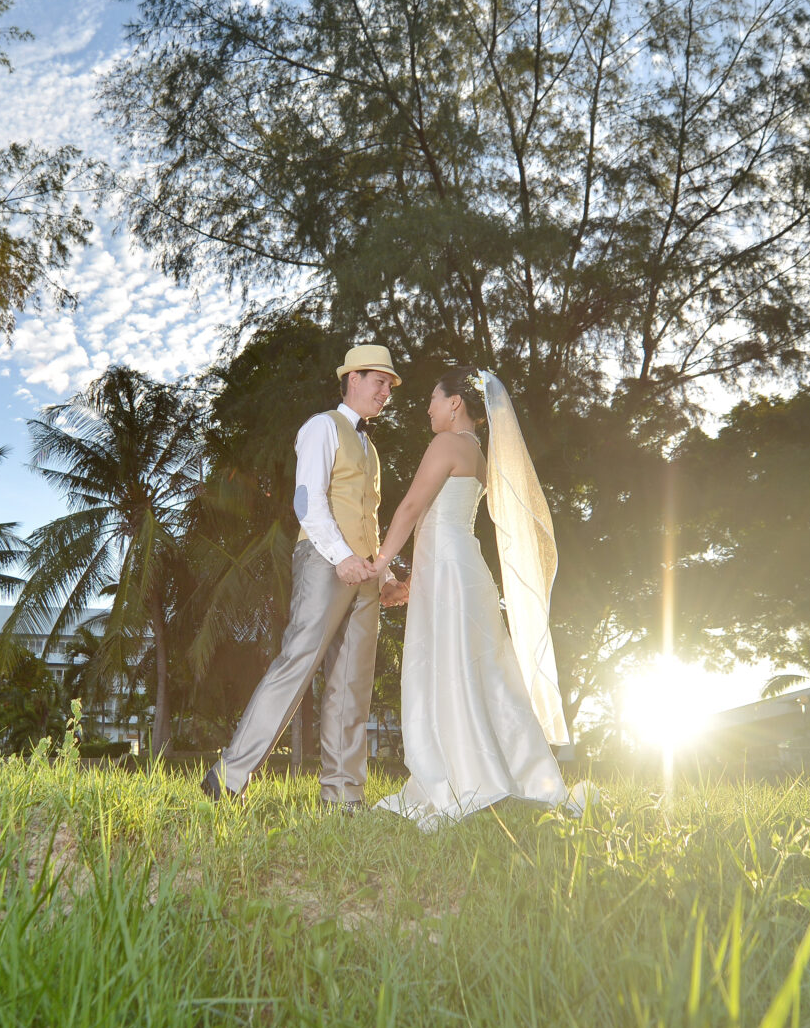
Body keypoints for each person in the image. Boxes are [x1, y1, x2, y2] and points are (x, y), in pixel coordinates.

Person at [202, 345, 409, 809]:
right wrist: (340, 557)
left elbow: (367, 519)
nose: (386, 393)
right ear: (353, 378)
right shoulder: (322, 427)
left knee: (352, 685)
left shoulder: (370, 448)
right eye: (380, 382)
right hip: (324, 560)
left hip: (365, 573)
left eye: (390, 387)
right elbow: (306, 502)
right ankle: (228, 776)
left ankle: (343, 797)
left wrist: (387, 575)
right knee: (298, 662)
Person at [373, 370, 576, 830]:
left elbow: (410, 508)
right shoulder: (480, 455)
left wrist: (381, 561)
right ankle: (509, 771)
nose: (427, 409)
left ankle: (469, 776)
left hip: (448, 567)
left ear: (455, 403)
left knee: (448, 668)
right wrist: (412, 581)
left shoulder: (445, 445)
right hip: (459, 568)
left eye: (432, 399)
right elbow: (441, 522)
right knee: (481, 669)